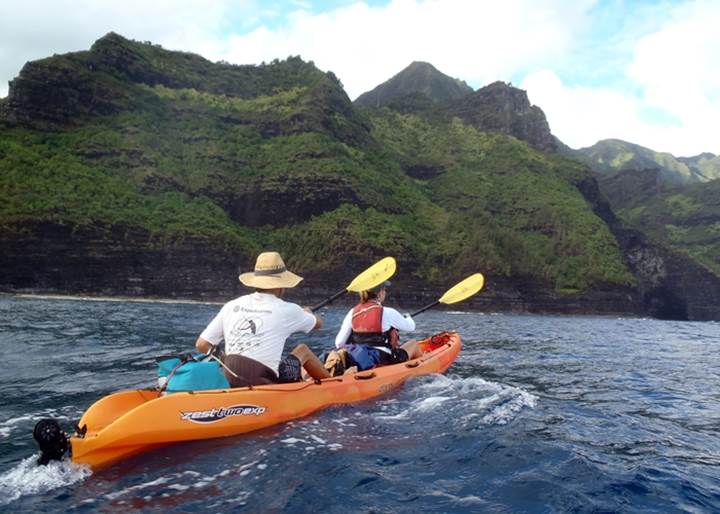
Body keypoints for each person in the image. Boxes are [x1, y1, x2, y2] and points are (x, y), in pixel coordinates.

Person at [195, 251, 330, 387]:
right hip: (264, 383)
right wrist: (307, 313)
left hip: (230, 378)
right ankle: (332, 384)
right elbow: (318, 324)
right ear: (281, 286)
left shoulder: (231, 305)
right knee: (303, 350)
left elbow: (201, 344)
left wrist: (224, 359)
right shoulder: (288, 309)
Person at [333, 281, 422, 371]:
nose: (385, 292)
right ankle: (421, 369)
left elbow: (339, 343)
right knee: (413, 344)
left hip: (358, 358)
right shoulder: (387, 312)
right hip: (384, 358)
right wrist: (407, 317)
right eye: (384, 290)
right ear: (381, 293)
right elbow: (411, 327)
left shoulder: (352, 313)